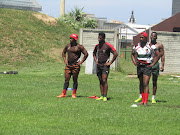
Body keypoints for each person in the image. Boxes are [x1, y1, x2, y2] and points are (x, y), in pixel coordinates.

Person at [131, 32, 160, 106]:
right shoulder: (137, 46)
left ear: (146, 38)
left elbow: (158, 54)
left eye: (142, 37)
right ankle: (142, 100)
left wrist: (153, 63)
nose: (141, 39)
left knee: (146, 83)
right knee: (141, 83)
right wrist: (134, 62)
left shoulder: (150, 46)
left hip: (147, 66)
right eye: (140, 37)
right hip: (139, 66)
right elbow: (132, 54)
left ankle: (145, 101)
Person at [57, 34, 88, 98]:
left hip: (76, 66)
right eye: (70, 38)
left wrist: (81, 62)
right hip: (68, 66)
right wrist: (65, 60)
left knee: (75, 80)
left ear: (75, 39)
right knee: (66, 79)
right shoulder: (67, 46)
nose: (70, 39)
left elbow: (86, 54)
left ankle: (74, 94)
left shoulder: (79, 47)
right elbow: (63, 53)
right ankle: (63, 93)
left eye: (71, 38)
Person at [93, 32, 118, 102]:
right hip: (99, 65)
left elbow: (115, 53)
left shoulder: (107, 45)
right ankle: (101, 95)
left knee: (104, 80)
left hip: (105, 66)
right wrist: (96, 60)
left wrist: (110, 62)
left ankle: (105, 96)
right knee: (100, 80)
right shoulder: (97, 46)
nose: (99, 39)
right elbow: (93, 53)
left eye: (100, 38)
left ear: (104, 38)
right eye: (98, 38)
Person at [150, 32, 165, 103]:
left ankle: (153, 97)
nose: (153, 37)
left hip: (155, 65)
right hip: (148, 64)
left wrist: (162, 65)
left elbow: (162, 55)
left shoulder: (159, 45)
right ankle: (144, 96)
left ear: (156, 37)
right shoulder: (147, 45)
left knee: (154, 81)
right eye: (152, 36)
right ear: (150, 37)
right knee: (145, 82)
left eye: (154, 36)